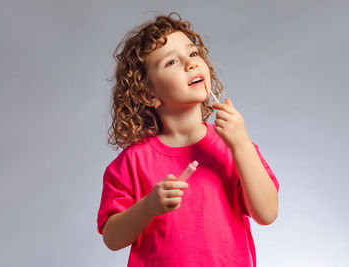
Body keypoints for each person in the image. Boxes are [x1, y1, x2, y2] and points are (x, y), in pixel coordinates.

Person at [96, 12, 280, 267]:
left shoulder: (234, 145)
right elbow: (112, 238)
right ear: (148, 94)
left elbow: (268, 213)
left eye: (193, 54)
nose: (190, 64)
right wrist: (148, 207)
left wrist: (240, 145)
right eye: (171, 62)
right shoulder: (132, 162)